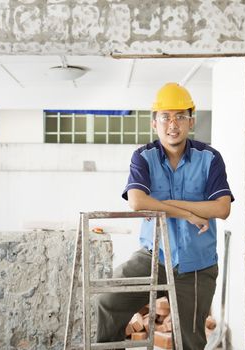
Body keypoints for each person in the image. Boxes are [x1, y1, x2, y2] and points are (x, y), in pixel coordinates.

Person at [96, 82, 234, 349]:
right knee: (107, 299)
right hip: (153, 256)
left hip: (197, 263)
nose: (173, 124)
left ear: (190, 121)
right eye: (166, 117)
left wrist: (166, 203)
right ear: (154, 123)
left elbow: (221, 208)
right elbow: (137, 202)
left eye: (180, 116)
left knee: (190, 340)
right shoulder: (143, 157)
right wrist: (189, 213)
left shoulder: (210, 158)